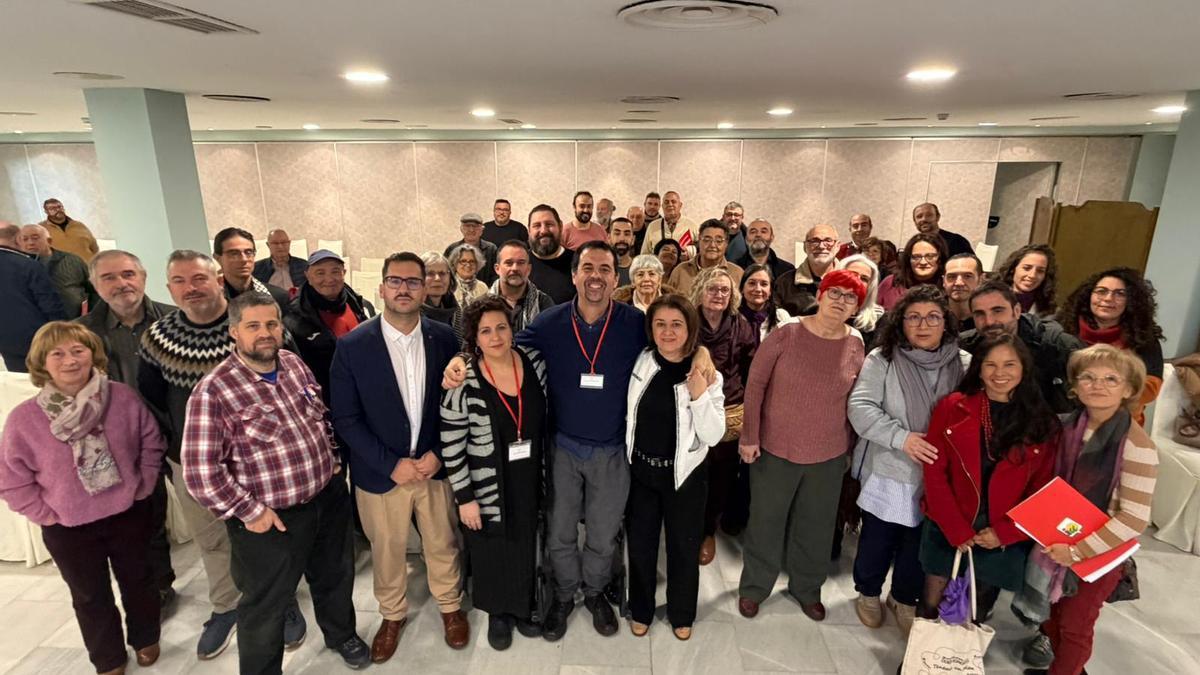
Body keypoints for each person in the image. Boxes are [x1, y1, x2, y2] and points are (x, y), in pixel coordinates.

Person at [442, 241, 716, 642]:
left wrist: (702, 353)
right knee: (560, 533)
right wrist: (461, 360)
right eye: (587, 267)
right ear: (574, 275)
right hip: (563, 448)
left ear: (614, 277)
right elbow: (499, 348)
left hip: (612, 451)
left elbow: (674, 342)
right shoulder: (550, 322)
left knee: (604, 535)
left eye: (605, 269)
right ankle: (564, 595)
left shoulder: (632, 322)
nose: (595, 276)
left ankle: (594, 592)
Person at [183, 293, 370, 673]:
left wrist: (333, 460)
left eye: (271, 324)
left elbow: (319, 416)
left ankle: (341, 634)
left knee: (335, 577)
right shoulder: (214, 390)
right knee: (265, 605)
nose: (265, 333)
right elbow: (200, 471)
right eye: (253, 326)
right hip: (271, 518)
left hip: (326, 499)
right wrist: (250, 512)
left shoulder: (293, 364)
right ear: (234, 331)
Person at [139, 250, 306, 659]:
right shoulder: (157, 338)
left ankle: (282, 601)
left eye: (199, 278)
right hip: (195, 462)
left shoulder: (257, 325)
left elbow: (294, 382)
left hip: (262, 462)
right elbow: (153, 400)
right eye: (179, 281)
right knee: (212, 539)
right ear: (168, 289)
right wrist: (181, 448)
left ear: (218, 279)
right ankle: (226, 607)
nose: (191, 288)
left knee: (269, 537)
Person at [0, 322, 164, 675]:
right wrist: (45, 514)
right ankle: (108, 658)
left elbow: (151, 442)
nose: (70, 360)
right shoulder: (23, 419)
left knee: (139, 580)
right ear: (42, 362)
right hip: (68, 525)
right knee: (90, 596)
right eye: (57, 353)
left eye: (78, 350)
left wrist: (145, 483)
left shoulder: (122, 397)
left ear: (93, 353)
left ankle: (146, 637)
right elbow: (11, 479)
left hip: (127, 512)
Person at [329, 252, 469, 661]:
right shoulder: (353, 346)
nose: (404, 289)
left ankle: (449, 606)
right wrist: (390, 463)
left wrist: (439, 455)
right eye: (395, 281)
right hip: (380, 472)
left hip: (432, 467)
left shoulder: (445, 338)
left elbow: (457, 404)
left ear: (425, 288)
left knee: (442, 542)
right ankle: (392, 615)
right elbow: (345, 418)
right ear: (382, 288)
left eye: (412, 281)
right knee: (387, 549)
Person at [1018, 345, 1159, 675]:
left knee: (1075, 627)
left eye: (1111, 378)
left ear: (1128, 389)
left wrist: (1079, 551)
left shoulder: (1138, 446)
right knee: (1052, 616)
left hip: (1098, 554)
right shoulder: (1066, 427)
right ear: (1075, 386)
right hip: (1055, 542)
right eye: (1089, 377)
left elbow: (1133, 518)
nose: (1098, 385)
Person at [737, 270, 868, 622]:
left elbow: (857, 399)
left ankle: (806, 588)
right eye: (835, 292)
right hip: (775, 448)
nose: (841, 301)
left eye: (850, 297)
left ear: (857, 306)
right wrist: (749, 436)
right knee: (766, 522)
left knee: (817, 526)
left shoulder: (855, 342)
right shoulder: (787, 333)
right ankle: (754, 588)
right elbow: (756, 385)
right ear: (821, 294)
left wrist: (850, 448)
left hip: (828, 453)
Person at [847, 286, 970, 636]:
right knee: (878, 539)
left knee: (919, 545)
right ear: (900, 323)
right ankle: (868, 592)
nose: (923, 324)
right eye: (913, 317)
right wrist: (904, 438)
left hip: (939, 477)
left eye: (933, 316)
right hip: (890, 467)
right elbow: (861, 407)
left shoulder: (964, 364)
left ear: (946, 322)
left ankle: (903, 598)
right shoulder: (882, 359)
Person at [919, 333, 1058, 624]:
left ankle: (957, 665)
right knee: (932, 599)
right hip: (950, 521)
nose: (1000, 374)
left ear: (1024, 368)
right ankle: (920, 662)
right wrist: (955, 527)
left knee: (977, 606)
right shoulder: (952, 407)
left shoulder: (1042, 422)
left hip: (1001, 530)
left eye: (1009, 364)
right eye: (990, 365)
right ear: (979, 369)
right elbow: (934, 473)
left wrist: (1006, 533)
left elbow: (1043, 492)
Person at [440, 296, 549, 651]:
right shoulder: (464, 380)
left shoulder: (533, 363)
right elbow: (452, 443)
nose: (496, 336)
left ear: (512, 327)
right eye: (485, 331)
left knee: (522, 538)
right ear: (474, 337)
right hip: (487, 480)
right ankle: (497, 613)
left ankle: (520, 606)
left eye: (501, 327)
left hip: (529, 472)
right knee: (490, 546)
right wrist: (465, 498)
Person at [77, 249, 177, 607]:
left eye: (128, 274)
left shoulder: (174, 320)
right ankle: (160, 587)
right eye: (109, 278)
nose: (121, 284)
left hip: (177, 433)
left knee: (209, 517)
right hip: (124, 443)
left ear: (143, 277)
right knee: (144, 519)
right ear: (94, 284)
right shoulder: (83, 334)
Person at [625, 294, 725, 640]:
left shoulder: (707, 373)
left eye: (676, 324)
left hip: (684, 476)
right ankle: (640, 608)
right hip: (642, 473)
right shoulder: (641, 360)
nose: (668, 332)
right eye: (660, 324)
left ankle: (682, 613)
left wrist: (699, 396)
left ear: (690, 329)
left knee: (683, 548)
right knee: (640, 546)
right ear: (650, 329)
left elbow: (714, 433)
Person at [689, 266, 757, 563]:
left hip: (729, 410)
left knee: (721, 476)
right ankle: (686, 527)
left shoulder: (740, 324)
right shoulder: (688, 321)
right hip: (690, 408)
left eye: (724, 290)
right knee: (692, 473)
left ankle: (707, 531)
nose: (718, 294)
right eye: (712, 288)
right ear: (700, 290)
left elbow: (749, 369)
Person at [1058, 267, 1165, 425]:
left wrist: (1100, 398)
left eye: (1119, 294)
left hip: (1119, 423)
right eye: (1101, 291)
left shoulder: (1143, 338)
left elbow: (1150, 388)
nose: (1108, 298)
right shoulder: (1063, 327)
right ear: (1089, 295)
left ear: (1131, 301)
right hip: (1063, 416)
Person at [962, 280, 1084, 414]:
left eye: (997, 311)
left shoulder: (1058, 345)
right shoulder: (965, 346)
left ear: (1017, 311)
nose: (989, 321)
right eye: (979, 314)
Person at [283, 249, 375, 402]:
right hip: (329, 398)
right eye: (320, 273)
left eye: (335, 271)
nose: (329, 279)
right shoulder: (294, 319)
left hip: (366, 389)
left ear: (343, 273)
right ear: (308, 276)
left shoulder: (358, 304)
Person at [0, 222, 67, 371]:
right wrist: (65, 333)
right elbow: (51, 305)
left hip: (6, 342)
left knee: (25, 384)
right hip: (40, 340)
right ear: (18, 239)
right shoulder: (29, 265)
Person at [19, 223, 97, 318]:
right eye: (25, 239)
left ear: (49, 241)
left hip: (78, 320)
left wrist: (90, 314)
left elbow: (94, 289)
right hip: (41, 325)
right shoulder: (18, 267)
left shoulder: (71, 260)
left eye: (35, 238)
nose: (30, 243)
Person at [213, 227, 291, 313]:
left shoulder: (278, 297)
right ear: (218, 258)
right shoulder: (211, 300)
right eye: (234, 253)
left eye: (248, 252)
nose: (244, 259)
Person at [773, 224, 839, 316]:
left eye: (828, 240)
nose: (821, 246)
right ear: (805, 247)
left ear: (838, 246)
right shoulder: (784, 283)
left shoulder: (851, 282)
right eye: (814, 241)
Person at [488, 239, 554, 331]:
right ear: (497, 269)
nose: (515, 268)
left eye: (521, 263)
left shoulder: (543, 303)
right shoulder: (482, 305)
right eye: (509, 263)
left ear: (528, 269)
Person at [669, 218, 745, 294]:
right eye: (707, 240)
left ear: (726, 244)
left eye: (718, 241)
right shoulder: (680, 271)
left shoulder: (737, 274)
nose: (712, 245)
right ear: (699, 241)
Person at [877, 232, 948, 311]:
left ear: (940, 258)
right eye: (916, 257)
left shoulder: (947, 285)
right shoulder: (890, 282)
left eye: (930, 256)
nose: (923, 262)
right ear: (908, 259)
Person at [527, 204, 576, 304]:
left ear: (560, 226)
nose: (543, 231)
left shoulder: (578, 261)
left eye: (549, 224)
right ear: (529, 231)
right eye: (537, 226)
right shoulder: (519, 264)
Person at [836, 254, 885, 349]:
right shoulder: (819, 311)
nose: (857, 281)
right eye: (852, 274)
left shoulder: (880, 321)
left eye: (864, 279)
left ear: (870, 286)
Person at [738, 263, 795, 344]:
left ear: (770, 291)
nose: (758, 289)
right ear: (742, 289)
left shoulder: (781, 317)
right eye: (752, 283)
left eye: (764, 284)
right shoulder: (732, 318)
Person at [998, 244, 1059, 317]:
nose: (1032, 275)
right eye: (1026, 268)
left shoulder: (1050, 311)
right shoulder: (989, 298)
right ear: (1013, 269)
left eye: (1040, 271)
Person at [444, 212, 499, 286]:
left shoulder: (491, 249)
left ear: (482, 230)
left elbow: (496, 274)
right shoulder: (452, 249)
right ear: (461, 229)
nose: (471, 230)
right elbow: (446, 273)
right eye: (467, 226)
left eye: (475, 226)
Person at [39, 197, 99, 262]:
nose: (58, 210)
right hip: (63, 269)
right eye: (52, 208)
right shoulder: (41, 229)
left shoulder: (79, 225)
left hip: (89, 266)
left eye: (59, 207)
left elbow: (94, 247)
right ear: (46, 211)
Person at [641, 190, 697, 258]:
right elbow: (644, 254)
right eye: (666, 202)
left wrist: (690, 251)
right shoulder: (653, 226)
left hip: (684, 267)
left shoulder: (691, 225)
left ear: (680, 205)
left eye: (673, 202)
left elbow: (700, 249)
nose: (670, 204)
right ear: (662, 206)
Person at [252, 228, 308, 295]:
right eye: (275, 243)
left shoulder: (304, 265)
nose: (280, 246)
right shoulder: (257, 268)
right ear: (268, 245)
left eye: (284, 242)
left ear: (289, 243)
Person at [944, 253, 984, 332]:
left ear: (981, 280)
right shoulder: (931, 315)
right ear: (943, 281)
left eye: (967, 276)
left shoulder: (989, 319)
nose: (959, 283)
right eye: (952, 276)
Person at [420, 251, 460, 327]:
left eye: (442, 273)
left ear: (450, 277)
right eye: (430, 273)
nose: (437, 278)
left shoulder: (455, 310)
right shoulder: (410, 313)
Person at [609, 217, 637, 285]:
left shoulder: (638, 269)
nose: (622, 238)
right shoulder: (599, 267)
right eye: (617, 233)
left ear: (633, 239)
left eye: (627, 234)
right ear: (609, 238)